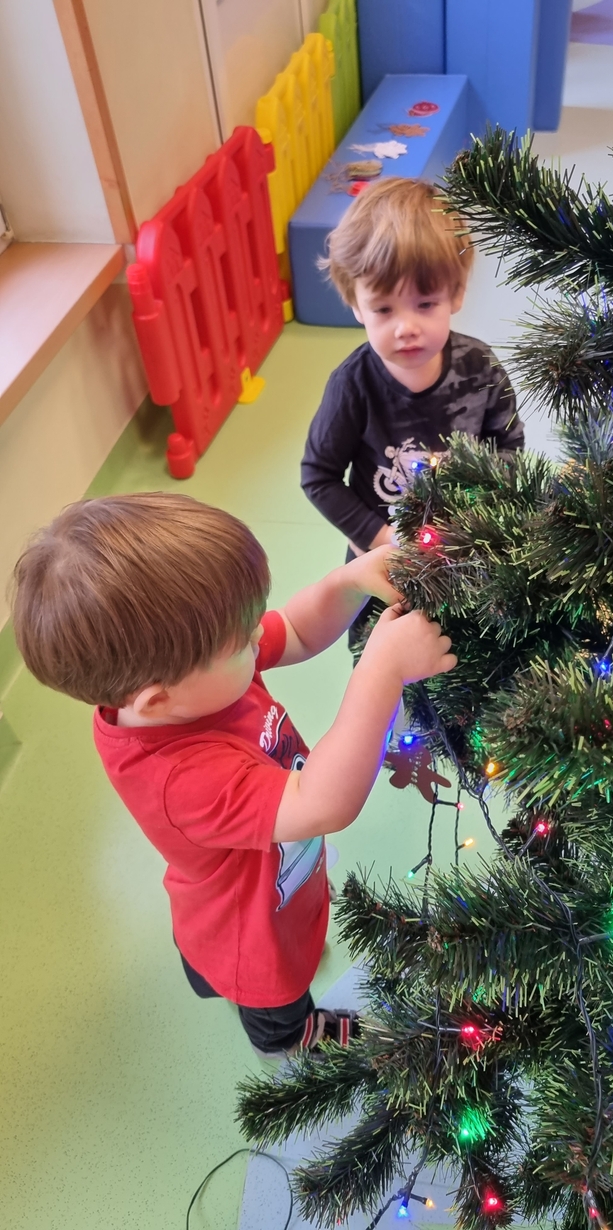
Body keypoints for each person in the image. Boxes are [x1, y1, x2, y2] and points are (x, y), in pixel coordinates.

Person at [11, 492, 455, 1058]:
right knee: (274, 997)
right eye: (243, 641)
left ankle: (227, 977)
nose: (257, 638)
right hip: (251, 931)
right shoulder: (179, 775)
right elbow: (322, 802)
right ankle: (290, 1035)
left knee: (250, 944)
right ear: (156, 699)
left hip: (258, 872)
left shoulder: (189, 675)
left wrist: (350, 581)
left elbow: (293, 628)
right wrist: (383, 671)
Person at [301, 177, 524, 643]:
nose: (406, 327)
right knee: (376, 650)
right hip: (381, 559)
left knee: (468, 650)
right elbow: (319, 476)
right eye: (384, 309)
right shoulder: (353, 385)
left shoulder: (480, 367)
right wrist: (383, 539)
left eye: (425, 304)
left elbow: (508, 444)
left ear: (456, 294)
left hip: (467, 547)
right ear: (355, 304)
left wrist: (481, 518)